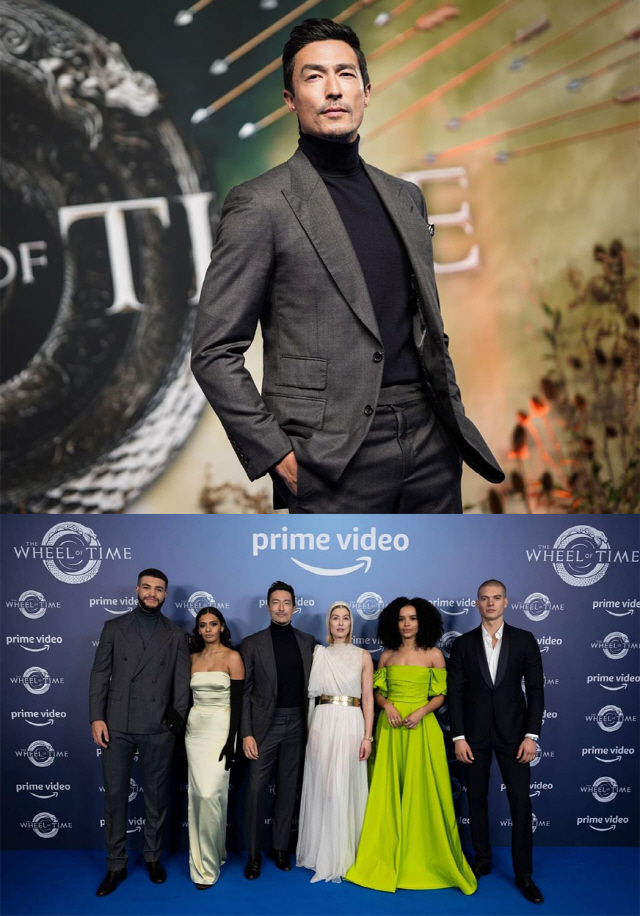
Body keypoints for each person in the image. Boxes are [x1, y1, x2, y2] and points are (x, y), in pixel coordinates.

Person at [191, 18, 504, 514]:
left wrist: (448, 421)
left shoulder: (405, 198)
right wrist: (277, 455)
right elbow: (213, 351)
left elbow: (426, 329)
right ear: (290, 99)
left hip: (430, 443)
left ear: (366, 91)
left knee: (436, 570)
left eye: (346, 74)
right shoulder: (260, 205)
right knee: (340, 573)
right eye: (314, 76)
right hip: (331, 457)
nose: (333, 89)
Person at [345, 597, 476, 895]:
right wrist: (388, 705)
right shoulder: (387, 655)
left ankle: (423, 856)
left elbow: (442, 695)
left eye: (412, 618)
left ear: (422, 622)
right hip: (390, 730)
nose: (407, 624)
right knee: (388, 789)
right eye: (402, 618)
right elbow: (376, 693)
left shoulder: (434, 654)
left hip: (421, 728)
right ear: (394, 623)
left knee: (423, 790)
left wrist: (421, 711)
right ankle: (384, 854)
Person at [89, 568, 190, 897]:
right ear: (137, 590)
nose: (152, 593)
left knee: (156, 798)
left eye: (158, 589)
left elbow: (181, 683)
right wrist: (97, 717)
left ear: (165, 594)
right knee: (115, 797)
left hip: (157, 727)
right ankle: (115, 864)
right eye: (147, 587)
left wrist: (174, 720)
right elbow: (100, 674)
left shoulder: (175, 634)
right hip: (116, 723)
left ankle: (152, 857)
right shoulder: (114, 627)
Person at [447, 579, 545, 904]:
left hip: (514, 736)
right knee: (476, 799)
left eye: (496, 597)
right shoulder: (463, 644)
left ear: (506, 602)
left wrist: (531, 736)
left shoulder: (525, 640)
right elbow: (455, 694)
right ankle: (482, 860)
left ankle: (524, 874)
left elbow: (536, 690)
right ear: (477, 603)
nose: (490, 603)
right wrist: (459, 736)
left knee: (521, 804)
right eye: (485, 598)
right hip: (473, 736)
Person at [240, 580, 315, 879]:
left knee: (287, 789)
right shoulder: (252, 643)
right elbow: (244, 693)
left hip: (298, 722)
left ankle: (281, 848)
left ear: (294, 607)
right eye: (276, 602)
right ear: (268, 606)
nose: (281, 608)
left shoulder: (308, 642)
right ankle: (253, 855)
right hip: (263, 726)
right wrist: (247, 732)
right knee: (256, 790)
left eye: (286, 603)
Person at [296, 601, 374, 882]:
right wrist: (312, 730)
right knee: (323, 786)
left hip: (351, 722)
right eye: (335, 618)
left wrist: (367, 736)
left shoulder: (363, 656)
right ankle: (322, 853)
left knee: (342, 786)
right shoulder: (319, 654)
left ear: (351, 623)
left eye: (345, 618)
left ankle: (344, 854)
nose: (340, 623)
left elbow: (368, 699)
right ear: (328, 623)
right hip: (322, 722)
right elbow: (312, 697)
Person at [186, 607, 244, 890]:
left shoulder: (233, 657)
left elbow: (239, 703)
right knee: (199, 797)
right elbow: (185, 698)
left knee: (212, 795)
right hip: (195, 730)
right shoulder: (192, 658)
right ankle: (209, 859)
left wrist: (233, 741)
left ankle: (208, 866)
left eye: (213, 624)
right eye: (202, 625)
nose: (208, 629)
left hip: (222, 729)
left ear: (222, 627)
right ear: (198, 629)